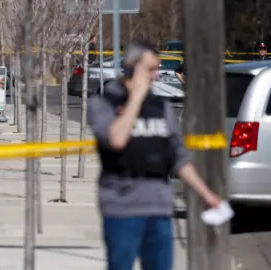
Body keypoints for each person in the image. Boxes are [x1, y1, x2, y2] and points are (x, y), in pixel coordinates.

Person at [87, 40, 222, 270]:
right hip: (122, 207)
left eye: (157, 69)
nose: (156, 76)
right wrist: (136, 98)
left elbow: (178, 158)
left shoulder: (161, 107)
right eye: (150, 69)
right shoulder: (103, 102)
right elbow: (116, 140)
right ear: (131, 67)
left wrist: (207, 195)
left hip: (159, 206)